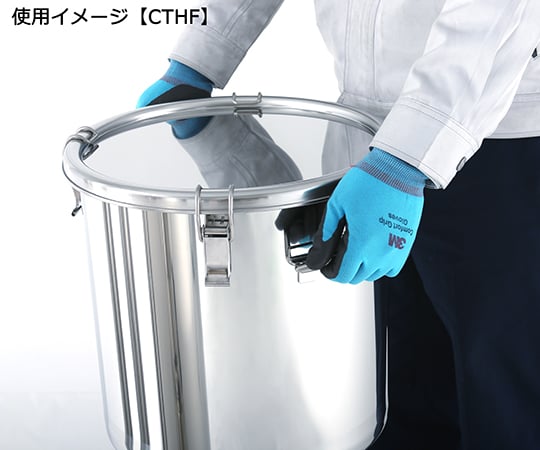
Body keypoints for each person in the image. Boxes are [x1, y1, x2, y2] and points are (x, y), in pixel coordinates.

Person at [137, 1, 540, 449]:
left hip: (497, 137)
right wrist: (198, 60)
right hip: (366, 142)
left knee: (506, 401)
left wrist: (406, 159)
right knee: (397, 395)